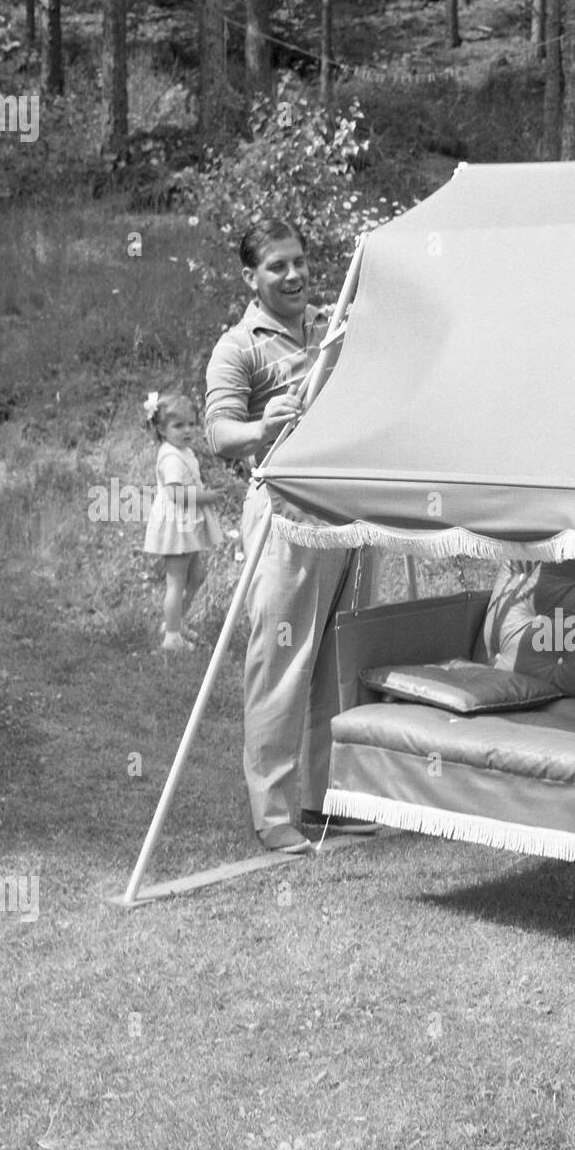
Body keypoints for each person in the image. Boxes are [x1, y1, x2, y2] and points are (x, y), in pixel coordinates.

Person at [205, 218, 368, 854]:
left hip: (344, 512)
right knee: (280, 663)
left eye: (299, 261)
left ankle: (327, 798)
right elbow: (219, 436)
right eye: (278, 266)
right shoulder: (237, 346)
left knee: (342, 660)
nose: (295, 274)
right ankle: (273, 816)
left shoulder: (332, 333)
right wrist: (261, 427)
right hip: (282, 515)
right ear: (251, 277)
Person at [141, 391, 223, 653]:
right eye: (178, 425)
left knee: (197, 574)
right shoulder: (170, 456)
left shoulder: (182, 451)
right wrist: (206, 496)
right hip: (175, 525)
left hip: (186, 524)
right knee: (176, 580)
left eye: (191, 423)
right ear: (162, 429)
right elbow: (177, 494)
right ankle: (172, 637)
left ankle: (175, 621)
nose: (187, 430)